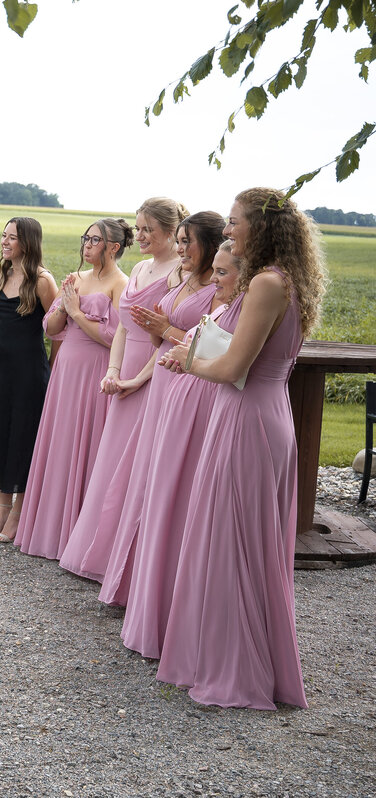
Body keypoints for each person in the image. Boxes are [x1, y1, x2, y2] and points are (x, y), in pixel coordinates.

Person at [156, 188, 327, 709]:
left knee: (233, 540)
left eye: (234, 222)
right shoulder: (278, 280)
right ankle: (224, 653)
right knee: (236, 536)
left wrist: (189, 363)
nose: (228, 231)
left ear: (262, 228)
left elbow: (233, 369)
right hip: (258, 412)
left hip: (249, 415)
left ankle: (237, 669)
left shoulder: (269, 283)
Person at [107, 232, 233, 648]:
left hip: (192, 385)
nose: (182, 248)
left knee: (171, 488)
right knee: (148, 481)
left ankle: (163, 595)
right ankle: (137, 586)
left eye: (188, 240)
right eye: (179, 240)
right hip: (166, 376)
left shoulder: (221, 289)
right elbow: (156, 334)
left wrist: (168, 331)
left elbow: (214, 348)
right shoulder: (184, 281)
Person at [59, 198, 186, 580]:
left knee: (137, 468)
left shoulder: (180, 272)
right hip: (123, 371)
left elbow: (167, 338)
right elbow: (125, 327)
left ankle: (126, 566)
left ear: (170, 231)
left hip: (153, 373)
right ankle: (94, 551)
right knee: (110, 463)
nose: (140, 235)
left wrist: (138, 378)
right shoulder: (142, 268)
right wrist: (113, 370)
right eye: (139, 227)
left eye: (148, 229)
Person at [12, 219, 132, 557]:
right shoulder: (75, 279)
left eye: (95, 239)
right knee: (61, 444)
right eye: (86, 238)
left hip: (95, 373)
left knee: (87, 446)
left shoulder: (120, 284)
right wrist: (63, 307)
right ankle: (47, 531)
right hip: (66, 373)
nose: (87, 244)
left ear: (114, 247)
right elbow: (50, 328)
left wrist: (78, 313)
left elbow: (115, 338)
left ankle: (78, 538)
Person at [0, 218, 58, 542]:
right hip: (3, 366)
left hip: (29, 369)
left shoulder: (42, 280)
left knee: (23, 436)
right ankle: (1, 509)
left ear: (28, 242)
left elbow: (58, 330)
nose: (5, 242)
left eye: (12, 238)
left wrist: (52, 370)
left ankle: (18, 514)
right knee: (2, 431)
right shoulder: (4, 274)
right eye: (3, 235)